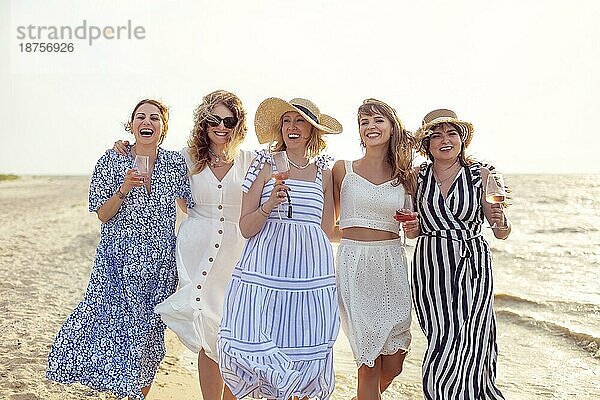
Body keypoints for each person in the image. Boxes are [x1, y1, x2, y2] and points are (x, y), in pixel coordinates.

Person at [46, 99, 194, 400]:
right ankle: (122, 391)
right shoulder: (111, 161)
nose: (147, 122)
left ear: (163, 127)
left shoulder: (175, 164)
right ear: (132, 124)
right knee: (111, 329)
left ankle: (137, 393)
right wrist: (124, 188)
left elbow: (191, 206)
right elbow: (102, 213)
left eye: (154, 118)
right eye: (141, 117)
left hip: (159, 266)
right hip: (118, 262)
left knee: (149, 337)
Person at [113, 90, 254, 400]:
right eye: (213, 120)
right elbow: (151, 159)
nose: (221, 127)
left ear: (238, 124)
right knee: (207, 330)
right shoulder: (186, 158)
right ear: (203, 123)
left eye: (228, 121)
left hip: (239, 254)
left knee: (235, 332)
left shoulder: (252, 159)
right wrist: (124, 147)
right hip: (196, 252)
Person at [217, 97, 342, 400]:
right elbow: (245, 227)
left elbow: (326, 230)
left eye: (300, 121)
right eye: (287, 120)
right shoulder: (264, 163)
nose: (292, 127)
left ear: (313, 131)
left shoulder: (324, 172)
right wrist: (270, 204)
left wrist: (377, 236)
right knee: (252, 345)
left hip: (309, 277)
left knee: (304, 348)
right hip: (265, 273)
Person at [404, 109, 511, 400]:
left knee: (472, 333)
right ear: (427, 145)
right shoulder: (417, 177)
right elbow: (413, 231)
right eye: (436, 135)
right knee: (441, 334)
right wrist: (412, 226)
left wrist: (502, 221)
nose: (444, 140)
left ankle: (464, 393)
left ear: (462, 139)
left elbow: (500, 231)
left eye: (451, 133)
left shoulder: (482, 174)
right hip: (430, 264)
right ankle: (443, 393)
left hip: (473, 261)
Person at [331, 98, 414, 400]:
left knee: (394, 361)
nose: (370, 126)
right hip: (355, 265)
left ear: (392, 127)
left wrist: (413, 227)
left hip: (392, 265)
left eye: (378, 120)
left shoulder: (408, 176)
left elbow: (414, 226)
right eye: (364, 122)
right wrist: (358, 235)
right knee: (367, 362)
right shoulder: (342, 170)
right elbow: (328, 227)